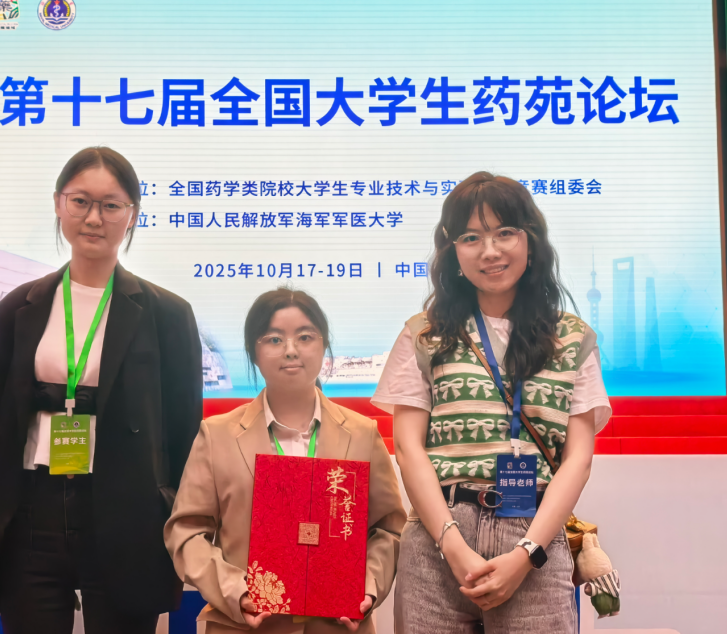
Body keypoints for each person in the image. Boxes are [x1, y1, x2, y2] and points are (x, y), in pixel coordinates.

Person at [0, 146, 203, 634]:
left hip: (125, 513)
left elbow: (184, 430)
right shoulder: (17, 308)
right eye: (81, 201)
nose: (94, 218)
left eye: (111, 205)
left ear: (132, 215)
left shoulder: (167, 314)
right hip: (32, 511)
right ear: (59, 203)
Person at [373, 172, 611, 633]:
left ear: (530, 241)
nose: (490, 250)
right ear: (452, 251)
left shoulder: (572, 337)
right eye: (471, 237)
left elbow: (578, 459)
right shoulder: (423, 333)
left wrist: (527, 554)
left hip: (534, 534)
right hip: (439, 536)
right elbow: (408, 449)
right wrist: (453, 546)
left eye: (505, 232)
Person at [165, 288, 406, 634]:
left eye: (305, 337)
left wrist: (366, 587)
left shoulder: (363, 434)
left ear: (323, 346)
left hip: (336, 625)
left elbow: (389, 529)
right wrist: (237, 591)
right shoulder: (217, 435)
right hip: (247, 626)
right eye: (274, 339)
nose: (291, 349)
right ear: (254, 352)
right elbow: (186, 533)